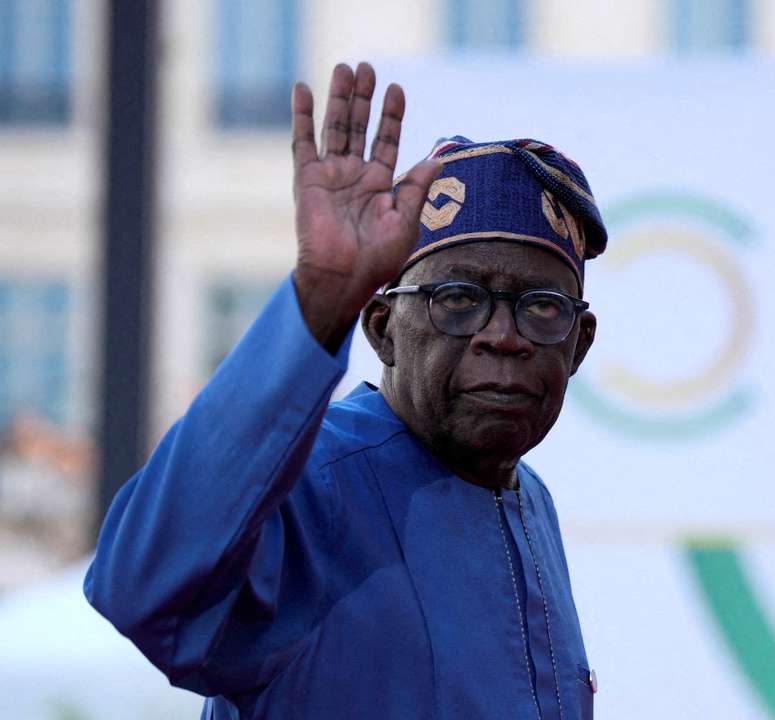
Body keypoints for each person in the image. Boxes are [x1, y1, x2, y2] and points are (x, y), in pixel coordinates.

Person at [84, 62, 605, 719]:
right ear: (384, 329)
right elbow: (140, 589)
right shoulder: (315, 484)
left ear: (579, 345)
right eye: (459, 299)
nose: (504, 336)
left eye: (541, 308)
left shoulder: (531, 500)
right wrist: (317, 301)